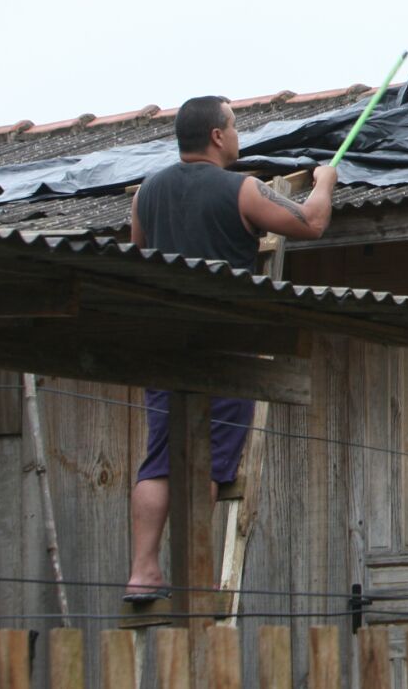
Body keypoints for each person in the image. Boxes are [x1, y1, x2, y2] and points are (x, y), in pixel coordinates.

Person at [121, 95, 337, 603]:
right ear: (218, 136)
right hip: (224, 351)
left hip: (162, 346)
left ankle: (143, 571)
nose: (238, 135)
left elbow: (138, 252)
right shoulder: (240, 189)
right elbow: (311, 223)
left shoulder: (145, 194)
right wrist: (325, 182)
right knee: (208, 464)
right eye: (235, 126)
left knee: (158, 461)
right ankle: (195, 576)